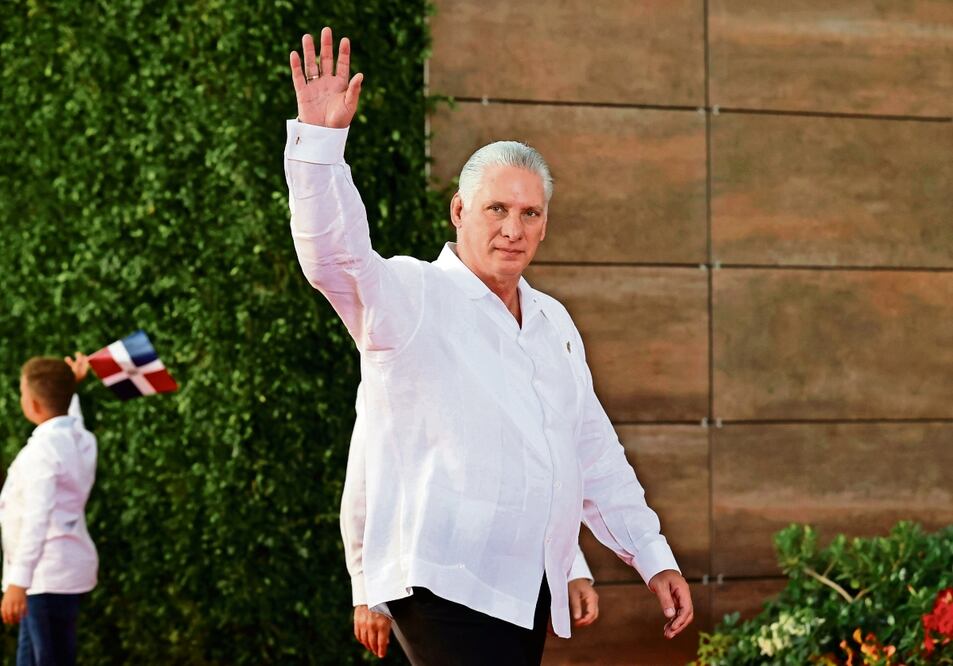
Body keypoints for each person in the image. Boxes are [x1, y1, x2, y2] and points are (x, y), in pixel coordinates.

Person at [286, 27, 693, 665]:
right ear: (458, 210)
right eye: (496, 209)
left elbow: (588, 451)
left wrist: (650, 554)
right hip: (442, 580)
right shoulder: (413, 294)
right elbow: (334, 258)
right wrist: (320, 149)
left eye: (530, 214)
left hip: (524, 586)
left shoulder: (554, 321)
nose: (513, 229)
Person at [342, 389, 600, 659]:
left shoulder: (515, 366)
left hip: (518, 582)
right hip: (433, 583)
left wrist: (569, 568)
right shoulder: (405, 357)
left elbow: (539, 476)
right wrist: (365, 588)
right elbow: (364, 477)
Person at [1, 353, 97, 666]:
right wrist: (70, 389)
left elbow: (36, 519)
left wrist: (19, 581)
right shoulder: (80, 439)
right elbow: (69, 420)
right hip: (60, 572)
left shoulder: (41, 453)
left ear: (34, 405)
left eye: (22, 394)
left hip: (44, 576)